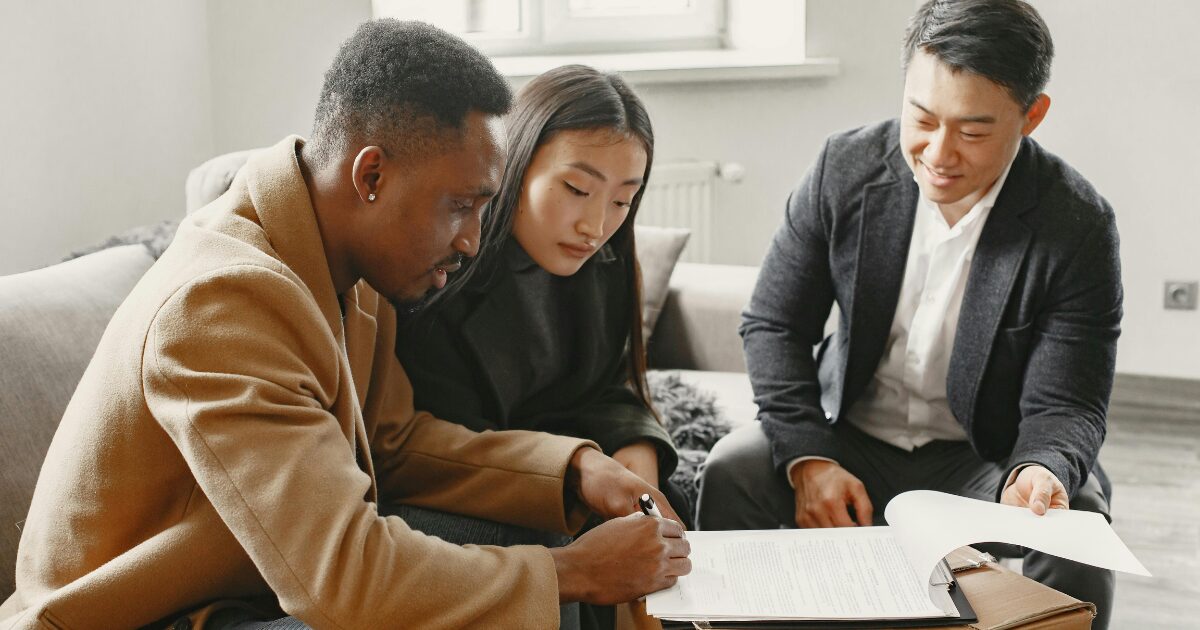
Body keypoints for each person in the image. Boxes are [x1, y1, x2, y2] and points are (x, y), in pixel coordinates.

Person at [0, 20, 690, 630]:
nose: (474, 241)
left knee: (525, 535)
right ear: (370, 176)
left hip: (255, 583)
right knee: (514, 589)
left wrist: (576, 470)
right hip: (152, 615)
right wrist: (572, 571)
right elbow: (347, 585)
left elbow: (393, 445)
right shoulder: (222, 303)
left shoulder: (347, 268)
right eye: (459, 207)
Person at [696, 1, 1121, 627]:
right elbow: (775, 323)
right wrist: (810, 458)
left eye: (973, 132)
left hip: (987, 454)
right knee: (731, 470)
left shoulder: (1077, 222)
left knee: (1077, 519)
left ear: (1033, 116)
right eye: (922, 118)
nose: (939, 153)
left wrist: (1039, 468)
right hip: (848, 433)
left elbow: (1068, 402)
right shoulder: (843, 169)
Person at [395, 64, 683, 630]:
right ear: (515, 164)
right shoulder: (439, 271)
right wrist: (577, 471)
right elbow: (438, 450)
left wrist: (634, 447)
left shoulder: (605, 260)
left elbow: (603, 385)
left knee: (664, 511)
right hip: (452, 484)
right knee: (554, 537)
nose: (596, 225)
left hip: (558, 466)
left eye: (624, 200)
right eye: (576, 190)